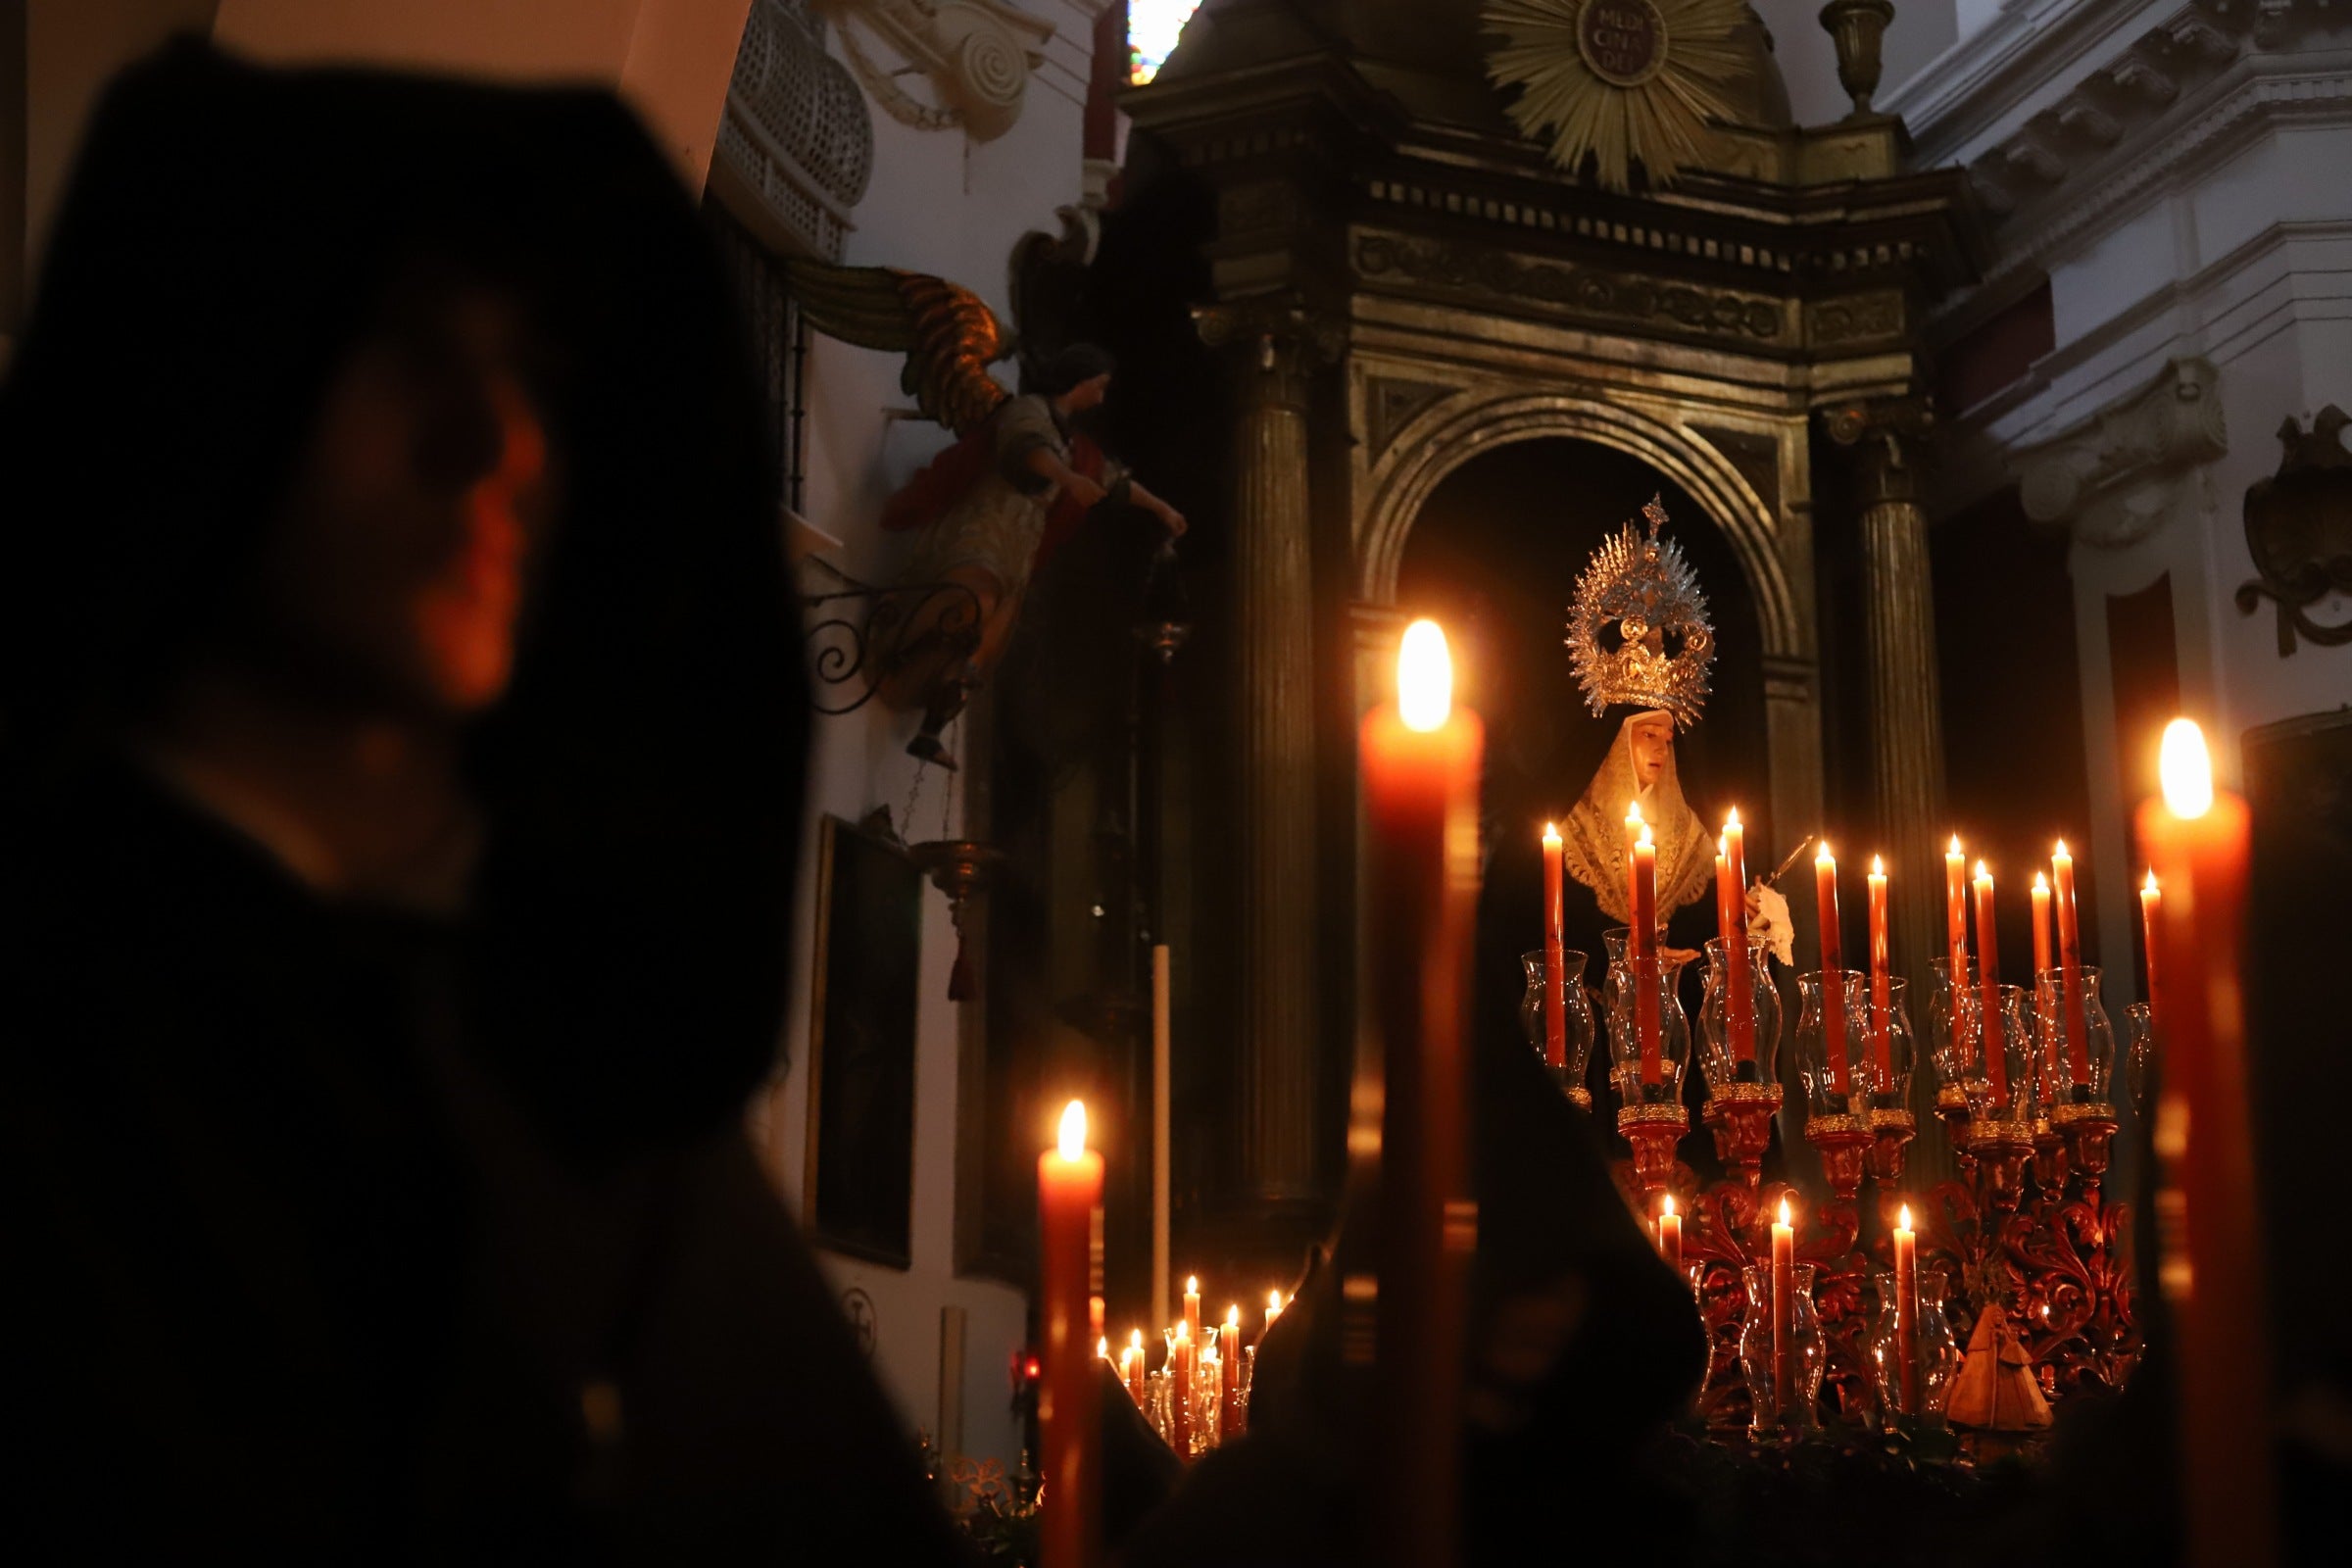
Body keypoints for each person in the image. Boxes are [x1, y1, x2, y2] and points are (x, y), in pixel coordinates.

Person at [0, 42, 967, 1560]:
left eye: (537, 376)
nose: (498, 447)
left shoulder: (566, 1076)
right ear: (211, 366)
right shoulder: (45, 1020)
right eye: (404, 348)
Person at [876, 343, 1186, 769]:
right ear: (1080, 381)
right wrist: (1067, 478)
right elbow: (1025, 448)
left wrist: (1161, 509)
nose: (1102, 395)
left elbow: (1113, 481)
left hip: (1020, 544)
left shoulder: (1077, 446)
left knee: (983, 645)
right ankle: (904, 650)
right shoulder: (1027, 410)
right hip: (989, 521)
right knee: (970, 602)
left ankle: (931, 731)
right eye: (1100, 386)